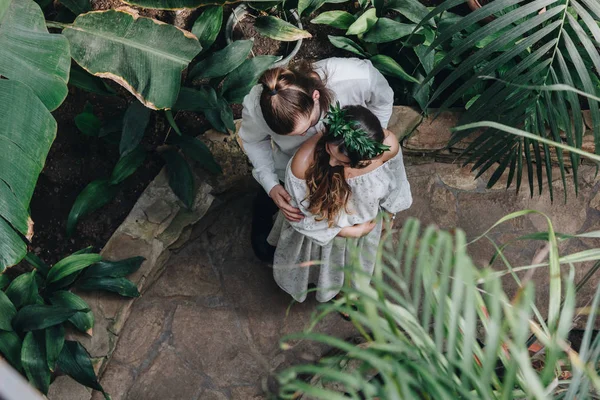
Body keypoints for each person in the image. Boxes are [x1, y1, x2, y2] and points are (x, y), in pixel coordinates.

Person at [238, 58, 394, 262]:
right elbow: (253, 141)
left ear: (316, 96)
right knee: (277, 205)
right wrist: (270, 185)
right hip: (289, 166)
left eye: (308, 126)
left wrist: (364, 143)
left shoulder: (355, 77)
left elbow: (384, 98)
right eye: (292, 134)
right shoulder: (258, 106)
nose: (304, 137)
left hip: (347, 159)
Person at [266, 104, 412, 303]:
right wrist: (346, 232)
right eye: (329, 150)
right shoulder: (303, 165)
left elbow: (396, 181)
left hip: (364, 221)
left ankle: (346, 293)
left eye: (344, 163)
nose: (333, 163)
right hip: (323, 228)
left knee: (353, 266)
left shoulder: (387, 148)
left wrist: (389, 213)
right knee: (322, 265)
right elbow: (300, 217)